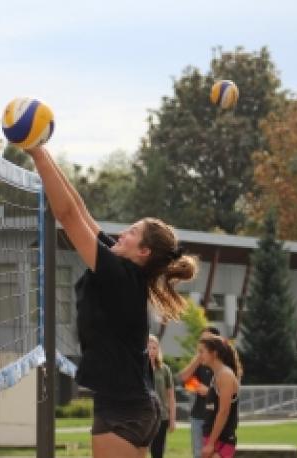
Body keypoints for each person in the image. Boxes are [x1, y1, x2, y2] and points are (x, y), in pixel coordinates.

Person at [23, 145, 198, 458]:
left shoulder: (119, 274)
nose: (122, 235)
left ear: (143, 252)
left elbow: (66, 216)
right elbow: (78, 208)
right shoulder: (123, 266)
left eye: (131, 232)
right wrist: (42, 149)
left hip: (125, 409)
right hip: (128, 403)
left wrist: (35, 153)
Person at [178, 326, 221, 458]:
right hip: (198, 416)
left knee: (216, 454)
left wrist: (209, 391)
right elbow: (183, 378)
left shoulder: (224, 364)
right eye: (201, 340)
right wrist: (198, 357)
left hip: (217, 417)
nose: (202, 343)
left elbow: (230, 393)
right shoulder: (199, 362)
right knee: (198, 454)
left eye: (206, 340)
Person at [199, 336, 242, 458]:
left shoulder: (225, 375)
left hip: (222, 440)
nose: (199, 355)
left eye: (202, 352)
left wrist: (211, 443)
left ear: (214, 353)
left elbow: (223, 411)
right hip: (212, 438)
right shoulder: (217, 375)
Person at [148, 334, 176, 458]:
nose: (152, 351)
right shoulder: (139, 369)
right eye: (149, 348)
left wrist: (172, 419)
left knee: (158, 452)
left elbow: (171, 396)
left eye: (154, 348)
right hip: (144, 417)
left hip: (161, 416)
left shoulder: (165, 370)